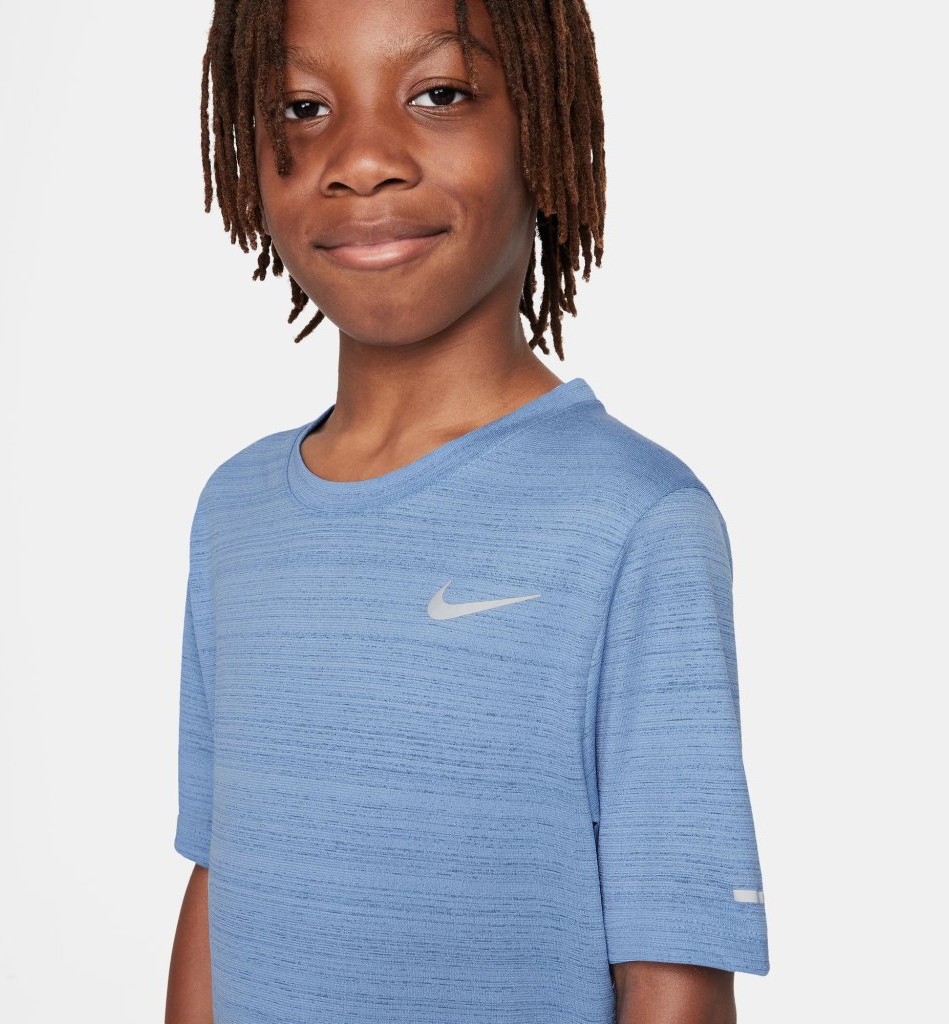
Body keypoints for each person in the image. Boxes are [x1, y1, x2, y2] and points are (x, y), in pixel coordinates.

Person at [165, 1, 770, 1021]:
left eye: (439, 93)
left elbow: (672, 970)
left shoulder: (634, 522)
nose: (362, 160)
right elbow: (220, 878)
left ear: (546, 126)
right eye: (303, 107)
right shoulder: (237, 512)